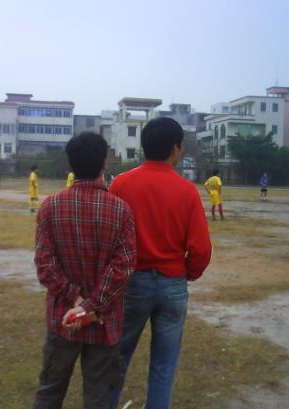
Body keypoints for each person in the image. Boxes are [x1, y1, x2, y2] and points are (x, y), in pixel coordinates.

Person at [109, 117, 212, 409]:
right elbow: (201, 249)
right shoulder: (187, 191)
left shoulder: (121, 184)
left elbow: (109, 237)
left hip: (131, 283)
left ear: (144, 147)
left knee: (116, 359)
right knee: (164, 366)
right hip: (172, 284)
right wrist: (185, 274)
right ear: (176, 149)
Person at [33, 132, 136, 409]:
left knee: (50, 391)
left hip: (63, 319)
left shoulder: (50, 207)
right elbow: (123, 269)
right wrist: (91, 307)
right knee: (99, 397)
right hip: (104, 322)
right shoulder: (121, 211)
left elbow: (45, 265)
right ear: (104, 163)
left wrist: (76, 301)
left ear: (71, 164)